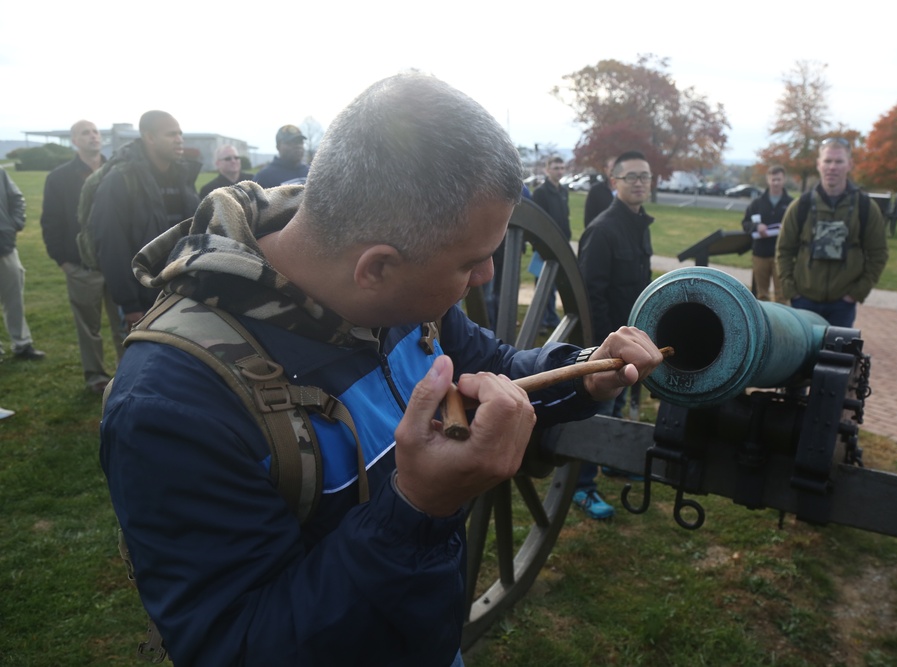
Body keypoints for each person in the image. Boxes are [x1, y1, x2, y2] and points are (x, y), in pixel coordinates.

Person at [100, 73, 662, 666]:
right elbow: (236, 646)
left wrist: (582, 371)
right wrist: (419, 507)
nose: (488, 278)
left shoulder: (403, 298)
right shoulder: (174, 406)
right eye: (471, 262)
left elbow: (490, 367)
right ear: (376, 269)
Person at [575, 150, 656, 518]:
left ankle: (609, 461)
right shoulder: (603, 229)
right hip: (605, 343)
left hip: (631, 338)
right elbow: (590, 294)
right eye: (631, 177)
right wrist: (601, 351)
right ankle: (581, 486)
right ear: (614, 183)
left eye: (645, 176)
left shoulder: (640, 225)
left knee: (618, 403)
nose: (639, 182)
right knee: (596, 412)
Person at [89, 111, 200, 328]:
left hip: (184, 289)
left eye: (180, 133)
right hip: (144, 296)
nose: (179, 139)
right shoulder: (120, 181)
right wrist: (130, 305)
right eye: (171, 134)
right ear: (149, 137)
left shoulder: (183, 176)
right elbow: (112, 246)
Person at [41, 120, 124, 393]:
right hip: (80, 266)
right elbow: (50, 222)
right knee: (89, 329)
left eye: (96, 132)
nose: (93, 137)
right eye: (85, 133)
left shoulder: (119, 170)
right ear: (74, 141)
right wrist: (62, 260)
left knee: (125, 324)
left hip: (118, 263)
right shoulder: (59, 178)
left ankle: (130, 373)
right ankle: (96, 377)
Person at [775, 137, 888, 328]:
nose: (832, 167)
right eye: (827, 161)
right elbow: (783, 250)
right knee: (804, 357)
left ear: (849, 164)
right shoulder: (800, 206)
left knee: (837, 358)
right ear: (819, 164)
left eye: (839, 161)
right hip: (803, 301)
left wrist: (856, 293)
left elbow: (878, 254)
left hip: (842, 305)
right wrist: (790, 290)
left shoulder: (865, 207)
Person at [0, 167, 45, 361]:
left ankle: (22, 344)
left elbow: (16, 198)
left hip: (4, 246)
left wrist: (14, 224)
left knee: (14, 298)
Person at [740, 165, 793, 303]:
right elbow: (745, 223)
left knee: (782, 294)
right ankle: (763, 323)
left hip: (781, 255)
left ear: (784, 180)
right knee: (761, 295)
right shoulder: (757, 203)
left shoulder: (791, 203)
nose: (776, 183)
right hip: (760, 253)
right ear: (768, 180)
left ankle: (783, 324)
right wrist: (757, 226)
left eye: (779, 179)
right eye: (773, 179)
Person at [530, 155, 571, 330]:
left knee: (554, 284)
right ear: (547, 170)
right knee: (542, 286)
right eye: (556, 168)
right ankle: (540, 321)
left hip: (561, 245)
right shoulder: (540, 192)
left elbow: (564, 217)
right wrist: (539, 247)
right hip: (545, 247)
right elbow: (536, 221)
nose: (559, 171)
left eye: (562, 168)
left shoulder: (563, 191)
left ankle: (551, 318)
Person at [584, 157, 616, 227]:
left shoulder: (627, 191)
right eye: (612, 170)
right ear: (606, 170)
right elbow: (589, 218)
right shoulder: (596, 190)